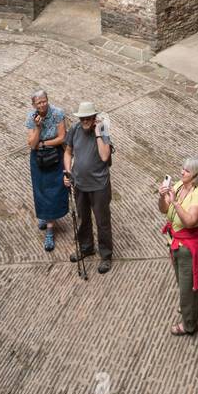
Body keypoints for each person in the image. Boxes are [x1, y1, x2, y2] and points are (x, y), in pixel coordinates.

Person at [158, 158, 198, 336]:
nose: (182, 172)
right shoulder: (180, 185)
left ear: (195, 175)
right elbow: (163, 210)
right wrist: (162, 196)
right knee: (186, 284)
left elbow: (190, 221)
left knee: (186, 288)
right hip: (176, 243)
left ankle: (189, 325)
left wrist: (175, 202)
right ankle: (196, 310)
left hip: (190, 248)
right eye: (182, 168)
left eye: (187, 171)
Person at [63, 102, 113, 273]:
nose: (85, 121)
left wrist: (99, 132)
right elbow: (68, 152)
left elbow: (105, 156)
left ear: (94, 118)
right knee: (83, 218)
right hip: (79, 184)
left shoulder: (103, 131)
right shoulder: (75, 130)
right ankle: (86, 248)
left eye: (88, 118)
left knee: (102, 221)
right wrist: (67, 172)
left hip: (99, 186)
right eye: (82, 118)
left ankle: (106, 255)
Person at [25, 88, 68, 252]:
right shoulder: (31, 117)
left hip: (55, 156)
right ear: (34, 105)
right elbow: (32, 144)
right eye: (39, 103)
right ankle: (45, 215)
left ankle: (50, 230)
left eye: (44, 101)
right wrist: (38, 127)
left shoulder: (57, 113)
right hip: (38, 158)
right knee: (40, 190)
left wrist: (45, 144)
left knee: (55, 190)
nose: (42, 105)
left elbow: (62, 137)